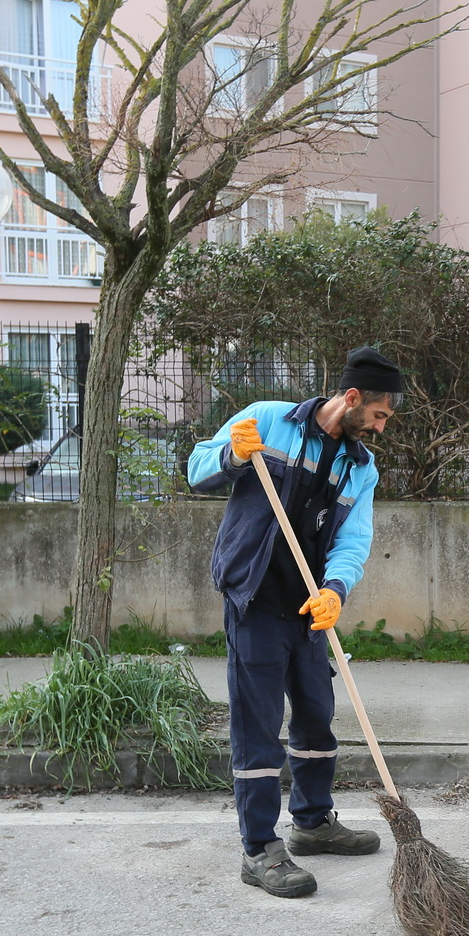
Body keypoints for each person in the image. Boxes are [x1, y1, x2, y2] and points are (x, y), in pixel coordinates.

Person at [187, 347, 405, 898]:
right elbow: (197, 470)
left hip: (309, 606)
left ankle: (311, 823)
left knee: (315, 717)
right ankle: (259, 849)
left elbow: (354, 539)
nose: (380, 427)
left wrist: (335, 589)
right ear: (352, 398)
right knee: (257, 726)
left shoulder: (361, 467)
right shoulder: (265, 419)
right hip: (255, 598)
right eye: (379, 415)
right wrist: (232, 458)